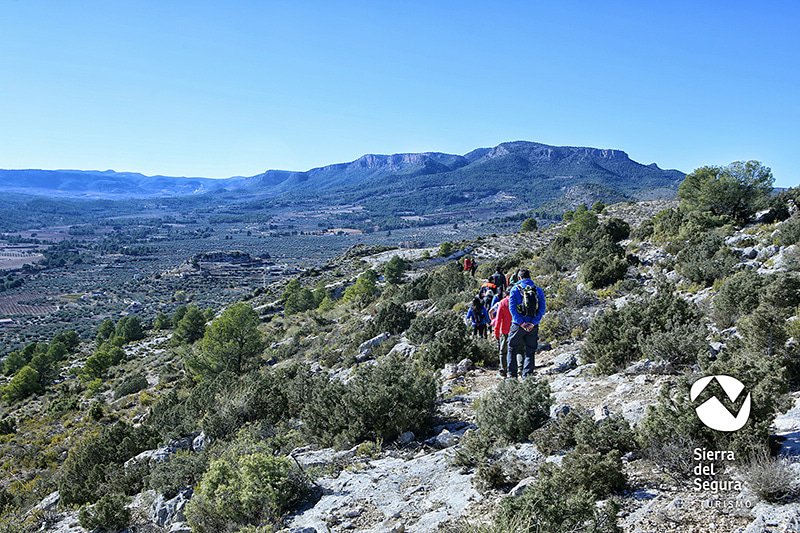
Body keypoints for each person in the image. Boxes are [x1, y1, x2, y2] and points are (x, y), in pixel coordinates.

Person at [507, 269, 546, 379]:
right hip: (533, 325)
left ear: (519, 278)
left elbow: (512, 308)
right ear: (529, 277)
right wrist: (533, 323)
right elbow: (542, 308)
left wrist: (521, 323)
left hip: (518, 325)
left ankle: (512, 376)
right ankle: (527, 377)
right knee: (530, 350)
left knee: (512, 348)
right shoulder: (538, 290)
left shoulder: (515, 289)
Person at [493, 293, 521, 378]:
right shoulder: (518, 300)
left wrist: (496, 332)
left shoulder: (503, 302)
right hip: (517, 329)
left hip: (505, 331)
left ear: (506, 294)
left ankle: (504, 370)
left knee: (503, 351)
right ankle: (520, 367)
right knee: (519, 350)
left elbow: (498, 319)